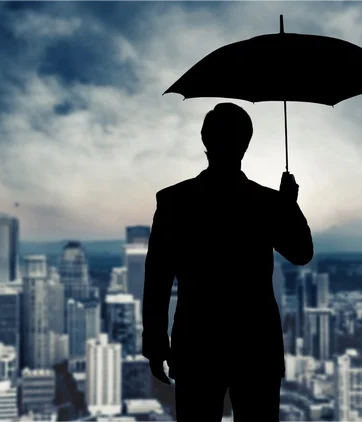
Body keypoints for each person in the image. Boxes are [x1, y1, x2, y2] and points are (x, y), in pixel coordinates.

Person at [142, 102, 313, 422]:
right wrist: (289, 206)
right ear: (246, 143)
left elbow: (158, 278)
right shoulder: (265, 203)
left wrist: (155, 341)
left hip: (197, 343)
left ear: (205, 139)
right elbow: (301, 253)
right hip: (256, 345)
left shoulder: (175, 201)